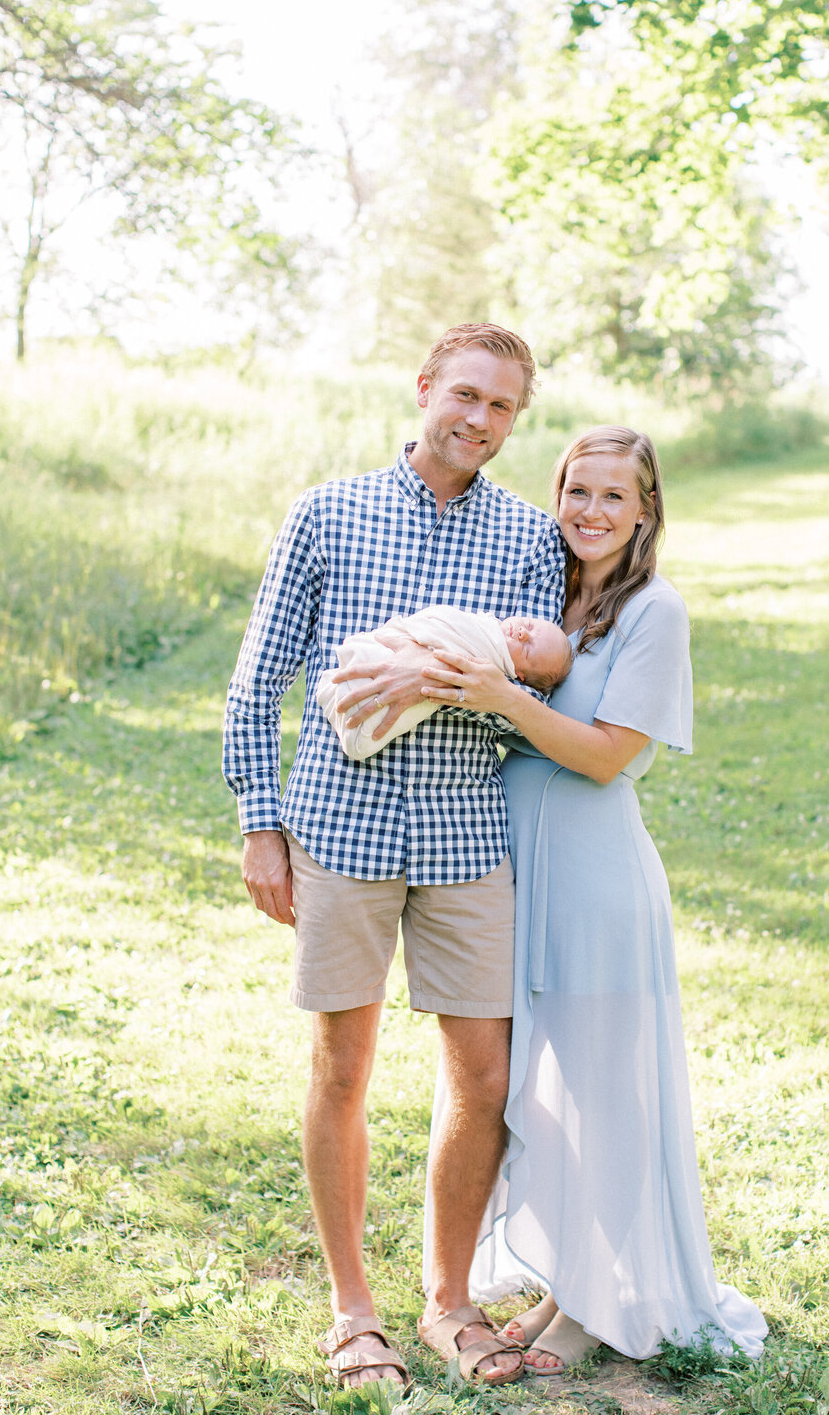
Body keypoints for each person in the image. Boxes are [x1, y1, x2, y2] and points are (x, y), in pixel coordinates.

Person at [221, 323, 565, 1390]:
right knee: (342, 1069)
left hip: (467, 837)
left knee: (485, 1076)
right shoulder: (330, 512)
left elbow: (539, 706)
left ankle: (448, 1301)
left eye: (503, 406)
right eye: (466, 394)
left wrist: (457, 678)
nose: (480, 419)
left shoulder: (531, 540)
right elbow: (256, 681)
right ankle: (353, 1309)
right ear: (424, 387)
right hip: (342, 833)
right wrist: (259, 821)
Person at [411, 425, 769, 1370]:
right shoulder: (552, 596)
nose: (592, 512)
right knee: (538, 1090)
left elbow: (609, 757)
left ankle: (589, 1310)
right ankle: (562, 1285)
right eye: (577, 491)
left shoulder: (656, 611)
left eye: (615, 496)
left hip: (595, 880)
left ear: (646, 509)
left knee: (602, 1094)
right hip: (513, 871)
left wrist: (502, 698)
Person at [317, 606, 572, 760]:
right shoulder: (486, 624)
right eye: (529, 624)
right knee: (368, 673)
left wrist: (439, 673)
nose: (522, 633)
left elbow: (534, 705)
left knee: (371, 719)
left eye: (527, 649)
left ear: (520, 675)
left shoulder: (494, 659)